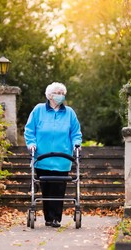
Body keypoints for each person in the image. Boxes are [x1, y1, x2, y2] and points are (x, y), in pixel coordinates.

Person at [24, 82, 82, 228]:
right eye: (58, 93)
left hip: (62, 159)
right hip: (42, 157)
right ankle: (48, 218)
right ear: (50, 95)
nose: (60, 96)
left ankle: (56, 218)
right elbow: (29, 129)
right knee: (46, 188)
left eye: (62, 93)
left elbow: (76, 132)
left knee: (58, 189)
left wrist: (77, 144)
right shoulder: (38, 110)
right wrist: (31, 143)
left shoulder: (69, 113)